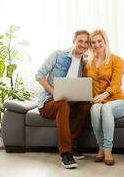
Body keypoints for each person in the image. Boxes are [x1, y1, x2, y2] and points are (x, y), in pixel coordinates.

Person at [35, 30, 91, 169]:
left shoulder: (85, 63)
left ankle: (73, 144)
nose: (83, 45)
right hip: (49, 102)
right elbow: (39, 75)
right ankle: (66, 153)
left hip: (69, 103)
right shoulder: (58, 55)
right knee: (63, 104)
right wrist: (54, 92)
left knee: (85, 106)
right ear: (74, 41)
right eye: (80, 41)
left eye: (86, 42)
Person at [83, 29, 124, 166]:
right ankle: (101, 147)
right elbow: (85, 83)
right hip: (98, 101)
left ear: (105, 41)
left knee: (106, 107)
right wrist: (89, 97)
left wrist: (103, 96)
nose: (96, 44)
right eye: (93, 42)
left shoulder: (116, 60)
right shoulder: (87, 63)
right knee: (95, 109)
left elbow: (116, 84)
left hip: (117, 101)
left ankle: (108, 150)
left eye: (99, 41)